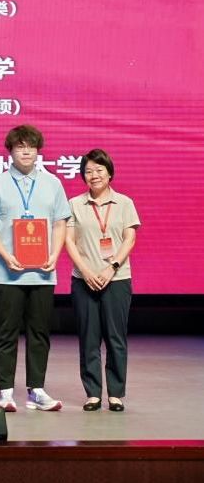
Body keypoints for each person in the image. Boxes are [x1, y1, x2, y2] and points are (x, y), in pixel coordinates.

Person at [0, 124, 71, 413]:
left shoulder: (53, 183)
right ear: (10, 151)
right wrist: (5, 255)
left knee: (39, 332)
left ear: (38, 150)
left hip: (43, 273)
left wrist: (54, 254)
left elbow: (60, 223)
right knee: (5, 332)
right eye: (20, 146)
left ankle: (36, 390)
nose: (26, 151)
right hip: (7, 273)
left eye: (31, 146)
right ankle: (5, 391)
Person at [64, 149, 139, 412]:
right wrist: (85, 271)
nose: (94, 175)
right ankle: (93, 393)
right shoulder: (74, 204)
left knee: (116, 338)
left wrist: (111, 268)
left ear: (109, 173)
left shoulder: (125, 203)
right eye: (88, 171)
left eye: (99, 170)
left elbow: (130, 239)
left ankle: (116, 394)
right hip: (83, 280)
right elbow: (68, 240)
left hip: (117, 279)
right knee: (89, 338)